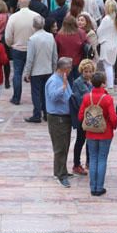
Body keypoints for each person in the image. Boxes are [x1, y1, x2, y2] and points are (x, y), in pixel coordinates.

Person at [78, 71, 117, 196]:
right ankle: (99, 187)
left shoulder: (86, 97)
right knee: (102, 159)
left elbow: (80, 116)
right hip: (105, 133)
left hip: (91, 132)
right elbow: (113, 118)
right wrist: (114, 127)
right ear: (103, 83)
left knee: (93, 159)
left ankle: (93, 186)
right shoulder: (107, 99)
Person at [44, 57, 75, 188]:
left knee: (65, 145)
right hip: (58, 118)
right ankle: (60, 175)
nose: (70, 70)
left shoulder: (62, 78)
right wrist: (63, 87)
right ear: (63, 68)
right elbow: (53, 96)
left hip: (65, 118)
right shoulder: (54, 81)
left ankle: (62, 170)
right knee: (60, 147)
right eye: (69, 68)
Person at [23, 14, 57, 123]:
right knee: (45, 93)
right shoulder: (50, 36)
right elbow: (54, 55)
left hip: (36, 71)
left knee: (36, 93)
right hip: (48, 69)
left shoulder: (32, 39)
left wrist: (27, 72)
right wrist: (54, 68)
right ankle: (46, 113)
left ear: (34, 26)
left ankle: (37, 114)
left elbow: (30, 58)